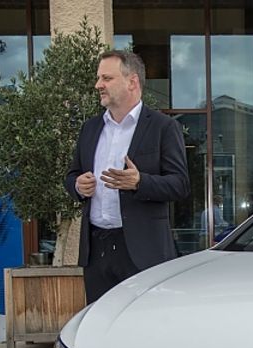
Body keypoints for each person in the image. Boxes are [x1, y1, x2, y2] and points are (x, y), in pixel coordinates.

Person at [65, 50, 189, 302]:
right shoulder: (90, 128)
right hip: (96, 250)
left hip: (143, 252)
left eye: (106, 78)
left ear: (132, 82)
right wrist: (77, 185)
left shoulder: (163, 127)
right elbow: (72, 175)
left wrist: (139, 182)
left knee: (145, 328)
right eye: (99, 78)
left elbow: (180, 185)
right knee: (99, 326)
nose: (98, 85)